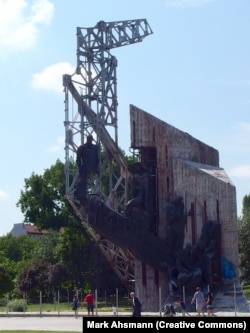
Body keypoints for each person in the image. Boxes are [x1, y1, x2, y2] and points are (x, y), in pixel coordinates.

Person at [76, 134, 99, 204]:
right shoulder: (82, 147)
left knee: (95, 182)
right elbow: (78, 159)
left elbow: (97, 159)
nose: (90, 140)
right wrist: (80, 168)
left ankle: (95, 194)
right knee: (81, 183)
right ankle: (82, 196)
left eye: (91, 139)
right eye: (89, 139)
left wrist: (97, 168)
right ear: (87, 139)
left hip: (93, 168)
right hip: (85, 168)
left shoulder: (95, 148)